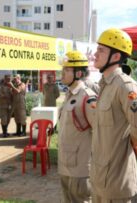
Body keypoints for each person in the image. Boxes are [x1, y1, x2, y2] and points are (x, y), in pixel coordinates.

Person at [91, 28, 137, 203]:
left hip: (117, 178)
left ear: (116, 57)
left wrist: (131, 144)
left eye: (101, 50)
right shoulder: (105, 85)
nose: (95, 54)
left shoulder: (126, 86)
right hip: (99, 176)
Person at [58, 51, 97, 203]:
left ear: (78, 73)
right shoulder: (69, 95)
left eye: (66, 70)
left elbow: (100, 132)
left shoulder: (87, 97)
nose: (62, 74)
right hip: (65, 166)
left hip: (81, 169)